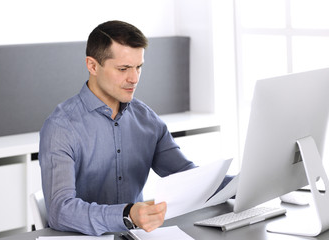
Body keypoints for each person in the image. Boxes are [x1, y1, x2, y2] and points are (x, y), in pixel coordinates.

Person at [39, 20, 232, 236]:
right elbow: (60, 211)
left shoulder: (147, 120)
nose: (134, 78)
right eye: (123, 69)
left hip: (135, 236)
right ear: (92, 66)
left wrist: (242, 183)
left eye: (138, 67)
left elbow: (188, 177)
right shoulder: (61, 127)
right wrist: (128, 214)